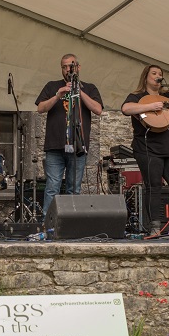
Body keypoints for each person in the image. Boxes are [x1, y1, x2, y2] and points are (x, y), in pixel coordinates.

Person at [121, 64, 169, 236]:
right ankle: (154, 227)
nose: (158, 76)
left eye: (160, 74)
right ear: (146, 77)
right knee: (154, 186)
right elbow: (125, 109)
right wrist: (149, 107)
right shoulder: (137, 96)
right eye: (154, 73)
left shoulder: (168, 96)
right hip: (147, 148)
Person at [35, 54, 103, 217]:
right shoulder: (52, 86)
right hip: (55, 145)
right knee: (53, 186)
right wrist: (58, 95)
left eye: (71, 66)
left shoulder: (90, 87)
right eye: (64, 67)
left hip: (78, 146)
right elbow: (41, 108)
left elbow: (98, 109)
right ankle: (48, 223)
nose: (67, 70)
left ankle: (71, 223)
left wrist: (80, 92)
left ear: (78, 68)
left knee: (74, 188)